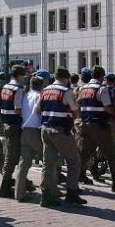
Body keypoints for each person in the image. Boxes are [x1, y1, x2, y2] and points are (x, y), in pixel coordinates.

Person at [36, 67, 86, 207]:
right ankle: (71, 193)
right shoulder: (66, 91)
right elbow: (75, 111)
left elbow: (37, 110)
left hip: (45, 129)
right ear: (66, 78)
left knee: (48, 163)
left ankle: (46, 196)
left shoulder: (45, 90)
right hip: (60, 130)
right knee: (74, 160)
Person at [77, 65, 115, 192]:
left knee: (84, 153)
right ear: (102, 76)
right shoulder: (101, 89)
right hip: (100, 125)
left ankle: (78, 177)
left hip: (85, 125)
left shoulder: (84, 88)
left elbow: (78, 104)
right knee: (112, 153)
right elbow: (108, 107)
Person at [0, 65, 27, 198]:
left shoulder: (6, 86)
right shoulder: (18, 89)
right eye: (24, 75)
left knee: (12, 154)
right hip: (15, 124)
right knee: (12, 155)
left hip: (6, 123)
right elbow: (18, 109)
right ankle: (5, 186)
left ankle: (10, 182)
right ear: (20, 75)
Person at [15, 76, 44, 201]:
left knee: (24, 164)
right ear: (41, 86)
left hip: (24, 131)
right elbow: (38, 111)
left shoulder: (25, 95)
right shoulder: (39, 96)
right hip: (35, 131)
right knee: (50, 162)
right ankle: (50, 191)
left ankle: (19, 193)